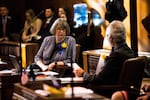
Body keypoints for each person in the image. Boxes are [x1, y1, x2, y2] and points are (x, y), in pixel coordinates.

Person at [74, 20, 136, 84]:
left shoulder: (116, 56)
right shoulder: (131, 52)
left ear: (111, 38)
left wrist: (83, 74)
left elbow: (98, 80)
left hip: (109, 91)